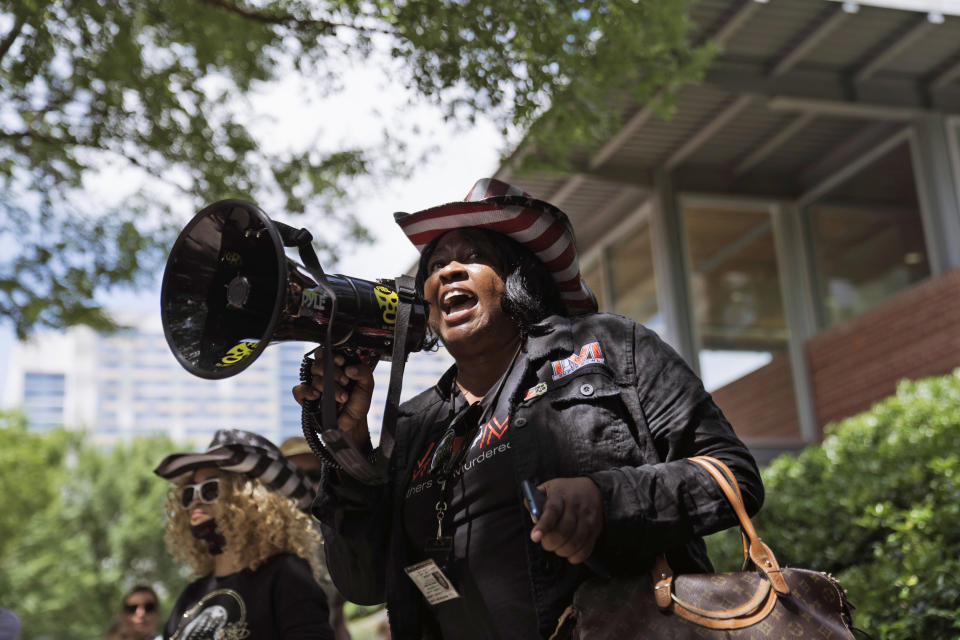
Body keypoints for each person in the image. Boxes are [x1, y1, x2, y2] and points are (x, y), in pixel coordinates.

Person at [295, 178, 764, 640]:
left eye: (473, 257)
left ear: (516, 278)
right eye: (435, 265)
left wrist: (607, 500)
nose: (447, 272)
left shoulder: (610, 346)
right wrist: (348, 447)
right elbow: (364, 582)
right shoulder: (414, 422)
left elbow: (733, 476)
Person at [154, 429, 334, 640]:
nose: (195, 500)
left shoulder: (285, 574)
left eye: (211, 489)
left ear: (252, 499)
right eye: (189, 492)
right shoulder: (192, 594)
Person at [280, 436, 352, 640]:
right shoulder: (250, 541)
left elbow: (337, 622)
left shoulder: (335, 541)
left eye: (312, 475)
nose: (301, 485)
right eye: (292, 475)